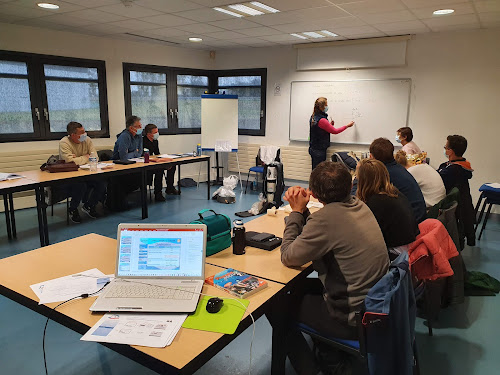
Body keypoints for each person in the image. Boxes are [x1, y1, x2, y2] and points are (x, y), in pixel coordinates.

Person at [271, 162, 389, 374]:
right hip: (374, 305)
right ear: (350, 184)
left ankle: (312, 368)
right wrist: (304, 211)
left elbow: (288, 256)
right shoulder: (359, 204)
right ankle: (328, 351)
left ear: (313, 193)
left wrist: (296, 212)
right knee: (299, 289)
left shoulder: (326, 219)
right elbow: (325, 229)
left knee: (276, 305)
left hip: (351, 319)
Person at [356, 158, 418, 259]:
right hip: (407, 245)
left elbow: (366, 235)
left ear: (362, 180)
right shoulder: (394, 192)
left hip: (395, 254)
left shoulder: (375, 202)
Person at [369, 138, 427, 223]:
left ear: (371, 157)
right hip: (419, 217)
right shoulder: (398, 168)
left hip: (412, 223)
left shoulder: (384, 174)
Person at [58, 121, 106, 223]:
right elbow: (69, 162)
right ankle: (73, 209)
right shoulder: (64, 143)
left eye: (84, 131)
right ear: (73, 135)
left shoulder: (87, 140)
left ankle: (89, 206)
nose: (85, 134)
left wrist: (79, 159)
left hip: (87, 173)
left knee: (101, 183)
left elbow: (95, 157)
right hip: (70, 176)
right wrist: (86, 157)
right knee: (80, 186)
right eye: (81, 132)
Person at [438, 135, 475, 246]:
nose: (444, 150)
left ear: (450, 151)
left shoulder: (452, 170)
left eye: (445, 147)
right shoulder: (460, 165)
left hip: (450, 208)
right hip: (460, 209)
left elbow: (437, 180)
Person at [107, 116, 143, 211]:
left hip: (133, 163)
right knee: (129, 178)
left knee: (142, 176)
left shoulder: (139, 136)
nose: (141, 128)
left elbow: (140, 152)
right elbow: (123, 157)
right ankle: (118, 202)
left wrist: (134, 153)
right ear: (131, 128)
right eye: (138, 126)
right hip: (118, 166)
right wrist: (135, 152)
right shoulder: (124, 136)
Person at [309, 97, 354, 170]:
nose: (327, 107)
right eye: (326, 105)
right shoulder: (322, 120)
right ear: (321, 107)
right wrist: (347, 126)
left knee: (316, 170)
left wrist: (329, 125)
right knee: (319, 171)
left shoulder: (314, 116)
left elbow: (320, 129)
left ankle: (315, 181)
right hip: (319, 150)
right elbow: (335, 131)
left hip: (314, 148)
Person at [142, 124, 179, 202]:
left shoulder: (155, 141)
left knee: (172, 166)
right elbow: (143, 156)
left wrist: (164, 159)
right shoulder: (143, 141)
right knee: (159, 170)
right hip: (146, 163)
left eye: (157, 131)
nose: (157, 134)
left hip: (154, 161)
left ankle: (170, 188)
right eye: (155, 132)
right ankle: (157, 193)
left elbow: (157, 154)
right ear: (149, 134)